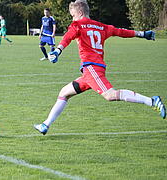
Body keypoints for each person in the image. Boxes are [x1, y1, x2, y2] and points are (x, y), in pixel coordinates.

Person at [34, 0, 166, 135]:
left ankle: (152, 101)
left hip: (92, 68)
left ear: (79, 12)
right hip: (91, 71)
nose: (72, 18)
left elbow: (67, 38)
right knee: (64, 93)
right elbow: (121, 32)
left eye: (73, 15)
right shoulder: (101, 26)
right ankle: (45, 125)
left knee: (110, 95)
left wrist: (57, 51)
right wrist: (142, 34)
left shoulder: (77, 25)